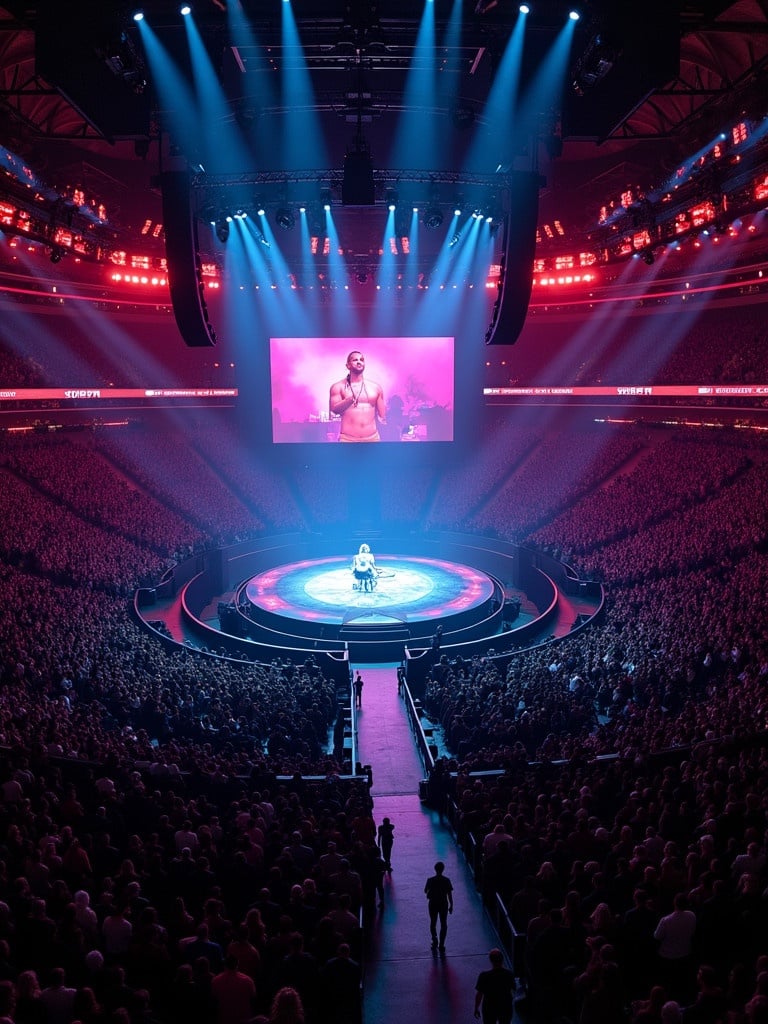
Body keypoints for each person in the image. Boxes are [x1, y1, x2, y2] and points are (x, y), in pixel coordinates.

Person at [329, 351, 386, 442]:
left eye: (361, 360)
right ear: (348, 366)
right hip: (348, 440)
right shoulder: (338, 387)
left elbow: (382, 416)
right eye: (355, 360)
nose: (359, 362)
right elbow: (333, 411)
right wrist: (349, 400)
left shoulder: (376, 388)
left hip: (373, 438)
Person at [474, 948, 517, 1024]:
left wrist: (476, 1007)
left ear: (491, 960)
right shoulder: (509, 974)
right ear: (502, 959)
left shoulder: (484, 976)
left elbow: (479, 994)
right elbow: (513, 989)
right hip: (505, 1006)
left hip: (489, 1007)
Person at [424, 861, 453, 951]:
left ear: (435, 869)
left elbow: (425, 891)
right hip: (443, 903)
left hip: (433, 903)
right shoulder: (446, 880)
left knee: (433, 922)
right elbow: (449, 894)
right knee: (443, 923)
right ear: (443, 869)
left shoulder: (430, 880)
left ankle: (434, 938)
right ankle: (442, 944)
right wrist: (451, 905)